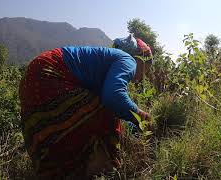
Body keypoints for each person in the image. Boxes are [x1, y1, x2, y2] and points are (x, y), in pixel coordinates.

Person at [19, 34, 153, 178]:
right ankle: (100, 169)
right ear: (140, 58)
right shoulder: (128, 60)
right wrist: (142, 117)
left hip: (33, 76)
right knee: (106, 114)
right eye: (146, 69)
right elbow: (114, 97)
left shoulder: (108, 59)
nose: (143, 76)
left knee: (80, 119)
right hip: (50, 74)